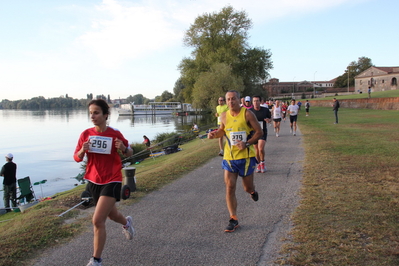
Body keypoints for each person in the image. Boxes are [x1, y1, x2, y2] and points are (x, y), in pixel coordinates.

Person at [73, 99, 135, 266]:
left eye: (96, 112)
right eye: (91, 113)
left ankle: (96, 260)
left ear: (106, 115)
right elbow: (76, 157)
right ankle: (127, 223)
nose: (92, 116)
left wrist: (123, 147)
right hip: (93, 180)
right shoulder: (86, 134)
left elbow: (129, 152)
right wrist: (82, 150)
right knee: (112, 215)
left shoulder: (114, 133)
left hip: (112, 178)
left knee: (97, 220)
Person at [208, 90, 262, 233]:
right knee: (230, 187)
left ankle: (252, 192)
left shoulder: (247, 114)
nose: (230, 102)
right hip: (229, 158)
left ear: (239, 100)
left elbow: (259, 132)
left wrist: (247, 143)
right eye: (228, 99)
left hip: (245, 157)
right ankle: (233, 218)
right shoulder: (224, 115)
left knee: (247, 188)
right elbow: (222, 131)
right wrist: (214, 134)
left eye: (233, 99)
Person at [250, 96, 271, 173]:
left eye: (257, 101)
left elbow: (270, 118)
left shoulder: (265, 110)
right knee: (256, 150)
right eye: (254, 101)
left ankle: (262, 163)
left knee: (261, 148)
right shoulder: (250, 111)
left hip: (262, 132)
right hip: (253, 133)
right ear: (252, 102)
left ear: (260, 101)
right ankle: (259, 164)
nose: (256, 102)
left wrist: (268, 120)